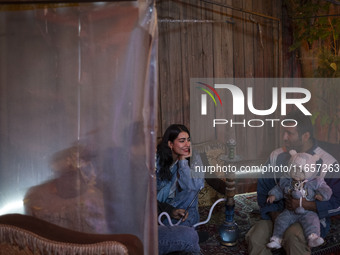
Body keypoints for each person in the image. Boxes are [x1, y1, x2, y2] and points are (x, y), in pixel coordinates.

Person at [246, 110, 340, 255]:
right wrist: (275, 215)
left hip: (311, 219)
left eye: (289, 133)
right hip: (279, 214)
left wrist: (306, 204)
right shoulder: (276, 156)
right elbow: (264, 189)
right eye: (284, 132)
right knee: (255, 236)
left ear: (305, 136)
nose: (284, 137)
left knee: (292, 236)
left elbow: (337, 202)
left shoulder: (328, 162)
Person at [266, 150, 332, 249]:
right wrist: (273, 196)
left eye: (301, 170)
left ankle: (313, 238)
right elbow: (279, 189)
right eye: (294, 169)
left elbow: (326, 189)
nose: (297, 173)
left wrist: (321, 195)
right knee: (281, 220)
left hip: (308, 211)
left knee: (312, 221)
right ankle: (276, 239)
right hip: (289, 211)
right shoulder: (286, 180)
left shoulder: (315, 181)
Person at [156, 124, 205, 254]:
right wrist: (168, 210)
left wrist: (183, 162)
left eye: (188, 140)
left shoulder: (193, 155)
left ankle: (182, 234)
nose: (187, 144)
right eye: (182, 141)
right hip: (159, 207)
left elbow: (198, 186)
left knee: (191, 190)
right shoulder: (158, 159)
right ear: (171, 144)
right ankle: (183, 235)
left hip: (179, 204)